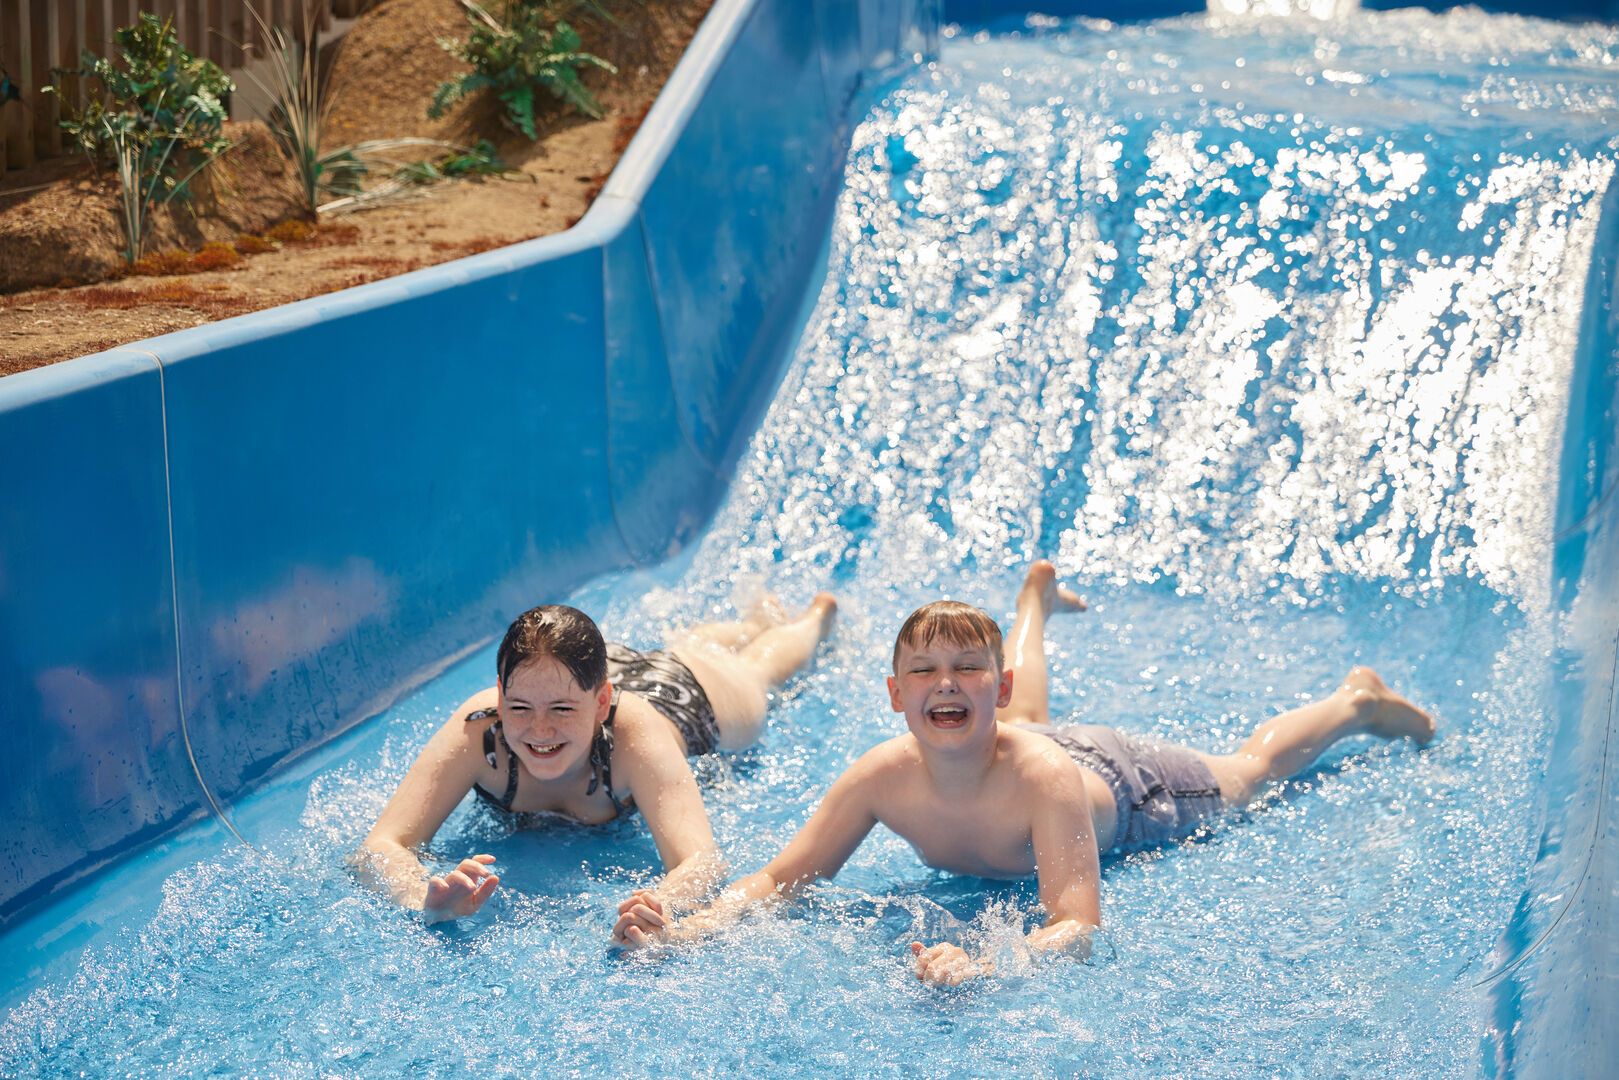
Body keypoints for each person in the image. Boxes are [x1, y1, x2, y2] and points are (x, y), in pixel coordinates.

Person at [613, 561, 1434, 986]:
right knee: (1023, 727)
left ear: (991, 688)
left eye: (968, 669)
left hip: (1124, 782)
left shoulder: (1039, 779)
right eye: (924, 672)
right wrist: (684, 933)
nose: (945, 682)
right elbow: (780, 880)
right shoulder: (881, 775)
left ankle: (1349, 704)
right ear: (894, 695)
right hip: (1024, 738)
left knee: (1248, 774)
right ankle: (1033, 601)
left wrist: (992, 963)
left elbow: (1076, 920)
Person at [355, 592, 838, 927]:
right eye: (519, 709)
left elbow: (701, 859)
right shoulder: (480, 730)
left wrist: (658, 904)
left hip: (685, 697)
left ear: (602, 704)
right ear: (501, 696)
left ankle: (811, 619)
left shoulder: (636, 737)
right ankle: (748, 621)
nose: (540, 731)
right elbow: (382, 844)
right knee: (686, 645)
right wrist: (420, 895)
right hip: (579, 671)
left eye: (561, 712)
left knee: (756, 673)